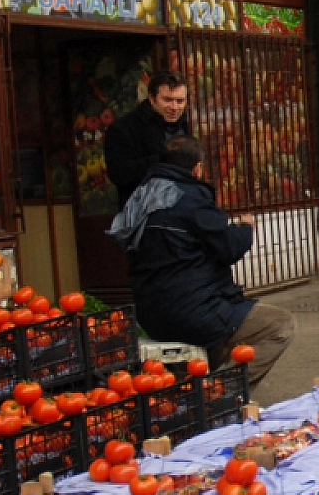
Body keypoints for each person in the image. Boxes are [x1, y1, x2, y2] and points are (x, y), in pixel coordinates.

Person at [108, 136, 294, 392]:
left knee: (225, 335)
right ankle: (219, 393)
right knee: (280, 325)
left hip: (150, 313)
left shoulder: (139, 199)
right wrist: (246, 229)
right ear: (197, 168)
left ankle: (204, 392)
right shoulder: (192, 198)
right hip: (194, 312)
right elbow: (229, 248)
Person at [105, 71, 191, 202]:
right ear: (152, 98)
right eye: (167, 100)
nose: (174, 107)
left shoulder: (184, 125)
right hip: (143, 212)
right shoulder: (123, 128)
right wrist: (163, 160)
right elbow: (119, 173)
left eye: (180, 101)